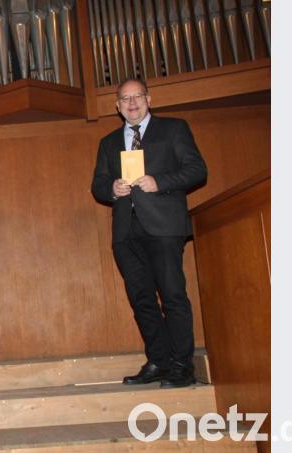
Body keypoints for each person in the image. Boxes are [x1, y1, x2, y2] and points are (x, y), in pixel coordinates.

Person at [91, 78, 207, 389]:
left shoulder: (174, 129)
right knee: (141, 299)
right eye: (125, 99)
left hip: (164, 227)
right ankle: (159, 360)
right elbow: (98, 184)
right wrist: (111, 189)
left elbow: (197, 170)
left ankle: (182, 366)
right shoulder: (108, 142)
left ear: (149, 99)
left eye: (137, 97)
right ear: (117, 107)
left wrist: (161, 181)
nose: (131, 103)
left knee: (172, 296)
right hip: (126, 231)